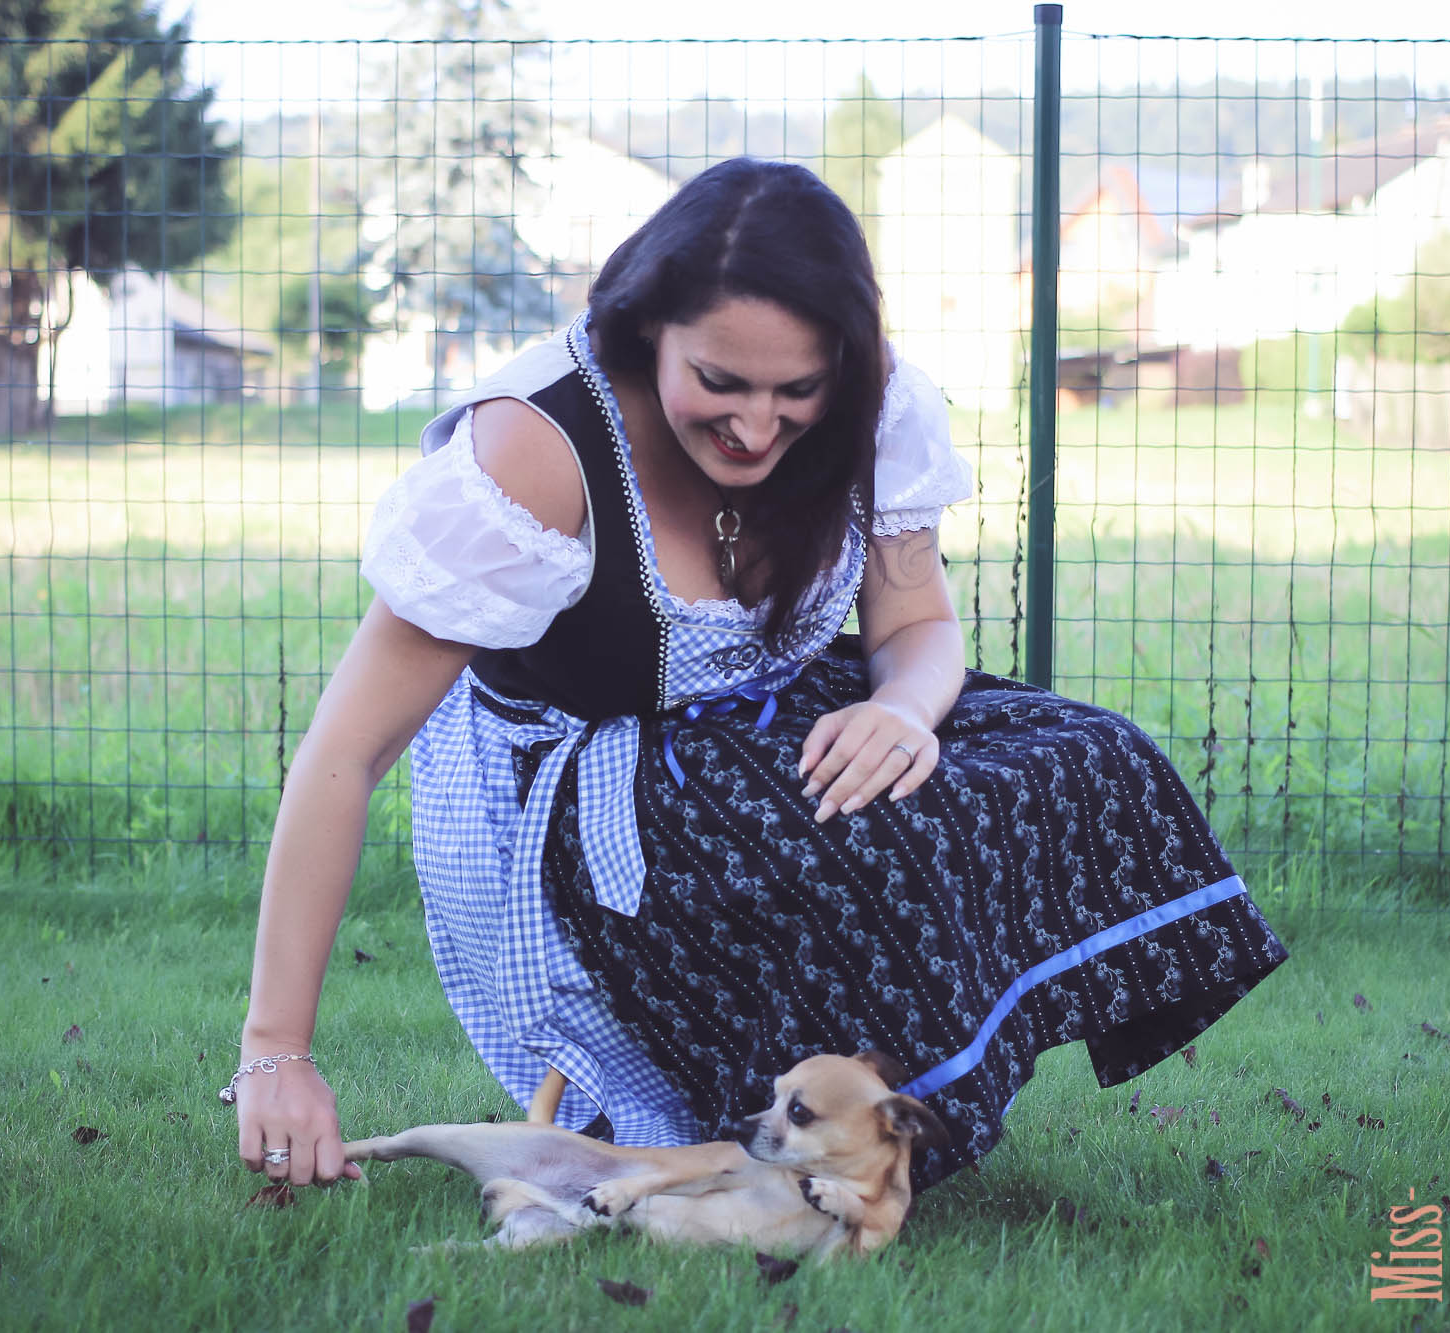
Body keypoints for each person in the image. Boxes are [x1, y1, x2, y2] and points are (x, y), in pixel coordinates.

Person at [230, 157, 1287, 1191]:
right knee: (857, 836)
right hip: (581, 784)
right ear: (649, 333)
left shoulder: (876, 409)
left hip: (776, 714)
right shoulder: (535, 450)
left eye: (797, 390)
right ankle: (776, 1126)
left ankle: (870, 1120)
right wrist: (277, 1046)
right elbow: (347, 748)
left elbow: (915, 623)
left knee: (1088, 758)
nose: (752, 425)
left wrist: (903, 709)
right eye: (718, 382)